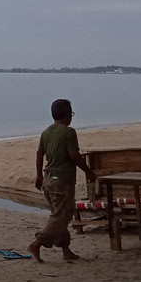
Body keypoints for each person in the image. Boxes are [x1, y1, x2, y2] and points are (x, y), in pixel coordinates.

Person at [29, 98, 97, 263]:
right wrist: (89, 171)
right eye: (71, 113)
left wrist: (39, 176)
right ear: (67, 115)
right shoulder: (68, 132)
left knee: (60, 214)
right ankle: (37, 243)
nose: (71, 117)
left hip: (48, 180)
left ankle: (66, 249)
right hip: (62, 181)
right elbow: (74, 155)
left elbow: (39, 154)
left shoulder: (46, 132)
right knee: (63, 215)